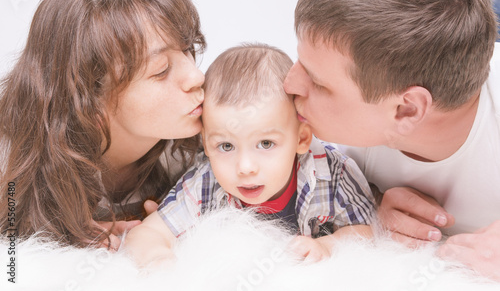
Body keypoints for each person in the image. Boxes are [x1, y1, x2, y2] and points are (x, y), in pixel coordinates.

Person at [283, 0, 500, 281]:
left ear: (407, 110)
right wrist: (372, 204)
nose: (289, 84)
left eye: (318, 82)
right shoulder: (330, 137)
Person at [0, 0, 206, 250]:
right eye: (161, 70)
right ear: (89, 102)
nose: (196, 76)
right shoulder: (10, 160)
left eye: (187, 50)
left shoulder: (207, 141)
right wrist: (61, 235)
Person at [124, 43, 375, 267]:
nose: (245, 167)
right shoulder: (205, 184)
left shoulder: (332, 174)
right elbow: (148, 233)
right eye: (225, 146)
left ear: (301, 139)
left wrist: (327, 245)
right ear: (206, 144)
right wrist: (159, 261)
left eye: (266, 143)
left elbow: (367, 230)